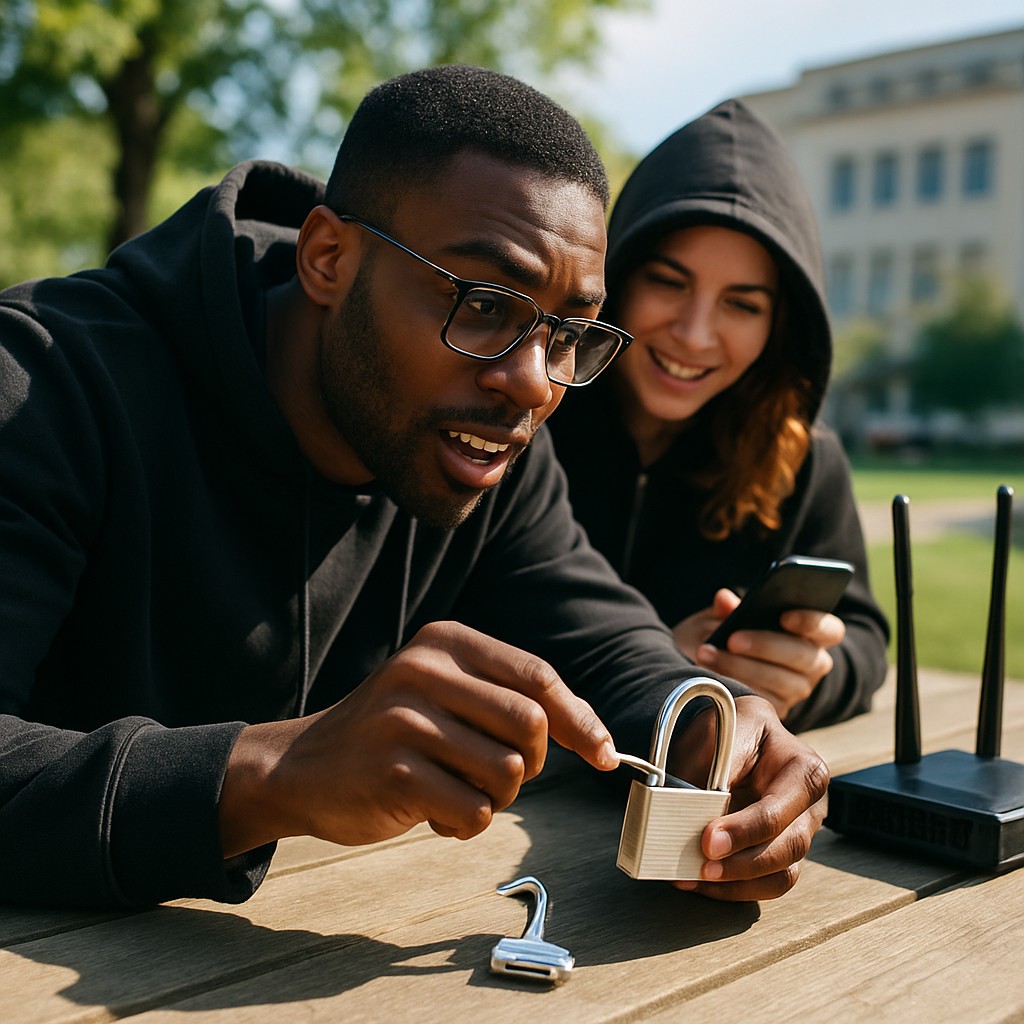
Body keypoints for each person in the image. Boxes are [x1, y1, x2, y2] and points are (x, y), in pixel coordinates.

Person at [0, 66, 827, 912]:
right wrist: (278, 774)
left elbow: (601, 636)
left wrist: (713, 727)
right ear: (328, 257)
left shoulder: (481, 434)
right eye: (482, 303)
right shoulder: (38, 390)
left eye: (568, 333)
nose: (534, 383)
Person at [549, 99, 889, 731]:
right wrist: (652, 670)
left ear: (780, 327)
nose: (695, 334)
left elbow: (864, 634)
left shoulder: (804, 458)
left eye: (742, 303)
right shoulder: (528, 412)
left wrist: (804, 678)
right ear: (614, 278)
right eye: (669, 282)